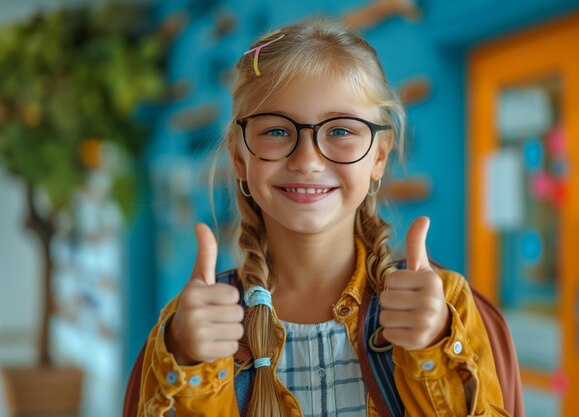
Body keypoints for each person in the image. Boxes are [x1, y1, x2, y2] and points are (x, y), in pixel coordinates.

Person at [136, 16, 510, 417]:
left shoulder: (444, 308)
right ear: (239, 157)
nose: (308, 160)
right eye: (277, 131)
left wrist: (432, 349)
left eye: (341, 131)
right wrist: (193, 366)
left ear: (379, 156)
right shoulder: (191, 327)